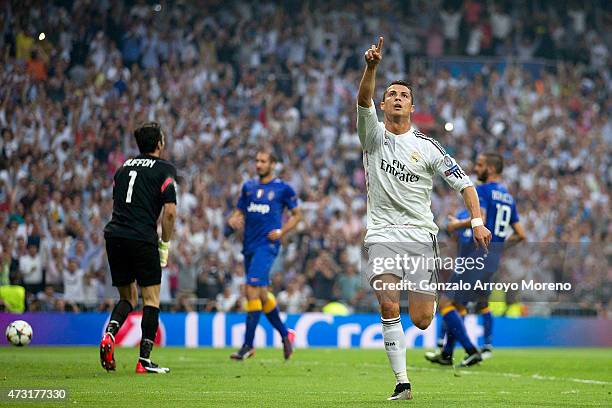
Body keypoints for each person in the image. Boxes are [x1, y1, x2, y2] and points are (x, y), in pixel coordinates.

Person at [356, 37, 491, 400]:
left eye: (404, 95)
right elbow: (362, 99)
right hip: (382, 232)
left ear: (412, 107)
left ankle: (431, 326)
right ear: (382, 104)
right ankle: (403, 382)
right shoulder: (372, 135)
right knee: (387, 302)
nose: (397, 98)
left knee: (422, 319)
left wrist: (477, 221)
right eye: (392, 94)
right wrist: (371, 67)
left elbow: (466, 186)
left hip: (420, 236)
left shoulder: (428, 147)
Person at [426, 152, 526, 366]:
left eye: (480, 165)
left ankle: (472, 350)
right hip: (492, 260)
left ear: (490, 169)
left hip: (476, 256)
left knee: (444, 302)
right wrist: (499, 247)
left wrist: (455, 225)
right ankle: (447, 353)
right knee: (460, 305)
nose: (476, 168)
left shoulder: (481, 190)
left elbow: (482, 218)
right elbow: (520, 234)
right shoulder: (508, 197)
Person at [99, 122, 177, 374]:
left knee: (127, 298)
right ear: (159, 144)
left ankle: (109, 334)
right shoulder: (165, 169)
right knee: (150, 298)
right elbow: (170, 213)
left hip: (114, 235)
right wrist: (164, 242)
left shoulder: (122, 169)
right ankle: (144, 360)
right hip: (142, 237)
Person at [227, 149, 302, 361]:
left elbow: (297, 215)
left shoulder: (283, 188)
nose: (258, 164)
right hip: (249, 245)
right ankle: (285, 334)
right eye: (256, 161)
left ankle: (248, 345)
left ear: (273, 164)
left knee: (250, 288)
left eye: (263, 161)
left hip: (267, 245)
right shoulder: (248, 187)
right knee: (260, 294)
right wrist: (233, 219)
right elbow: (238, 212)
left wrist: (282, 231)